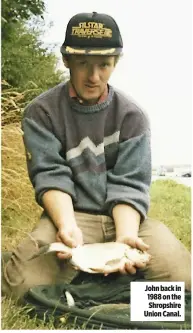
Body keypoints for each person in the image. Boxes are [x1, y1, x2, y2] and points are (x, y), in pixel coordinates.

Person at [2, 11, 191, 301]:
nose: (94, 76)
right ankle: (94, 275)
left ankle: (103, 279)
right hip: (69, 217)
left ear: (116, 62)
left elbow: (129, 186)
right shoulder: (41, 112)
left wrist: (125, 239)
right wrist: (66, 227)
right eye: (83, 64)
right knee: (20, 287)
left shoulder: (132, 116)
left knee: (183, 284)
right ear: (66, 60)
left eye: (104, 64)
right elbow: (51, 176)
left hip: (125, 220)